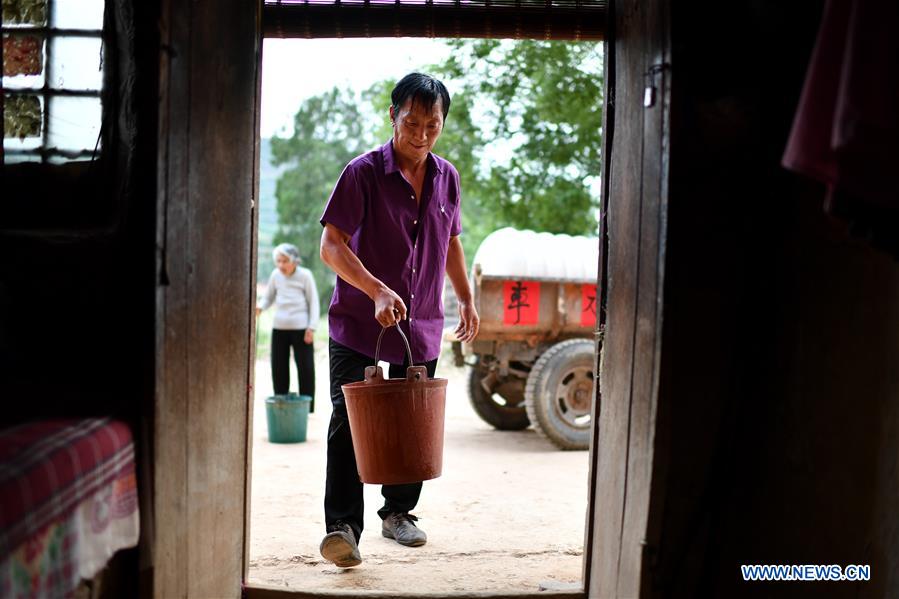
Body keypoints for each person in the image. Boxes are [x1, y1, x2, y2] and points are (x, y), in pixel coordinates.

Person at [317, 72, 479, 568]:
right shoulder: (362, 173)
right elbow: (330, 246)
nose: (422, 133)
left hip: (420, 325)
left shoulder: (447, 177)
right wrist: (375, 289)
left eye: (433, 124)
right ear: (393, 117)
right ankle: (343, 527)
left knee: (412, 423)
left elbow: (451, 241)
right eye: (412, 121)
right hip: (358, 324)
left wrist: (467, 300)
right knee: (350, 422)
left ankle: (398, 513)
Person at [256, 243, 320, 412]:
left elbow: (313, 302)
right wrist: (260, 307)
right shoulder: (275, 275)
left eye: (285, 261)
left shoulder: (305, 275)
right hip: (279, 329)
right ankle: (281, 403)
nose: (281, 265)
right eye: (278, 261)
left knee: (305, 368)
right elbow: (268, 298)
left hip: (302, 329)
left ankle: (308, 407)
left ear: (294, 261)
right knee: (278, 367)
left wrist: (311, 328)